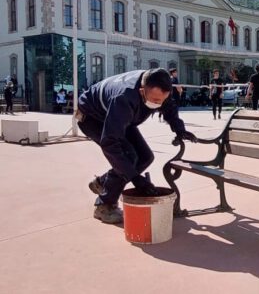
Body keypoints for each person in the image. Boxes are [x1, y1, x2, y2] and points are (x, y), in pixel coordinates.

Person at [77, 68, 198, 224]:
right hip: (92, 118)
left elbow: (169, 107)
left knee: (146, 157)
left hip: (121, 117)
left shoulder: (158, 86)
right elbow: (110, 143)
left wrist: (179, 129)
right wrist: (135, 179)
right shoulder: (124, 98)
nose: (158, 104)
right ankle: (104, 205)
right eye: (154, 100)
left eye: (162, 100)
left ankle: (103, 183)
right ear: (142, 91)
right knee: (129, 156)